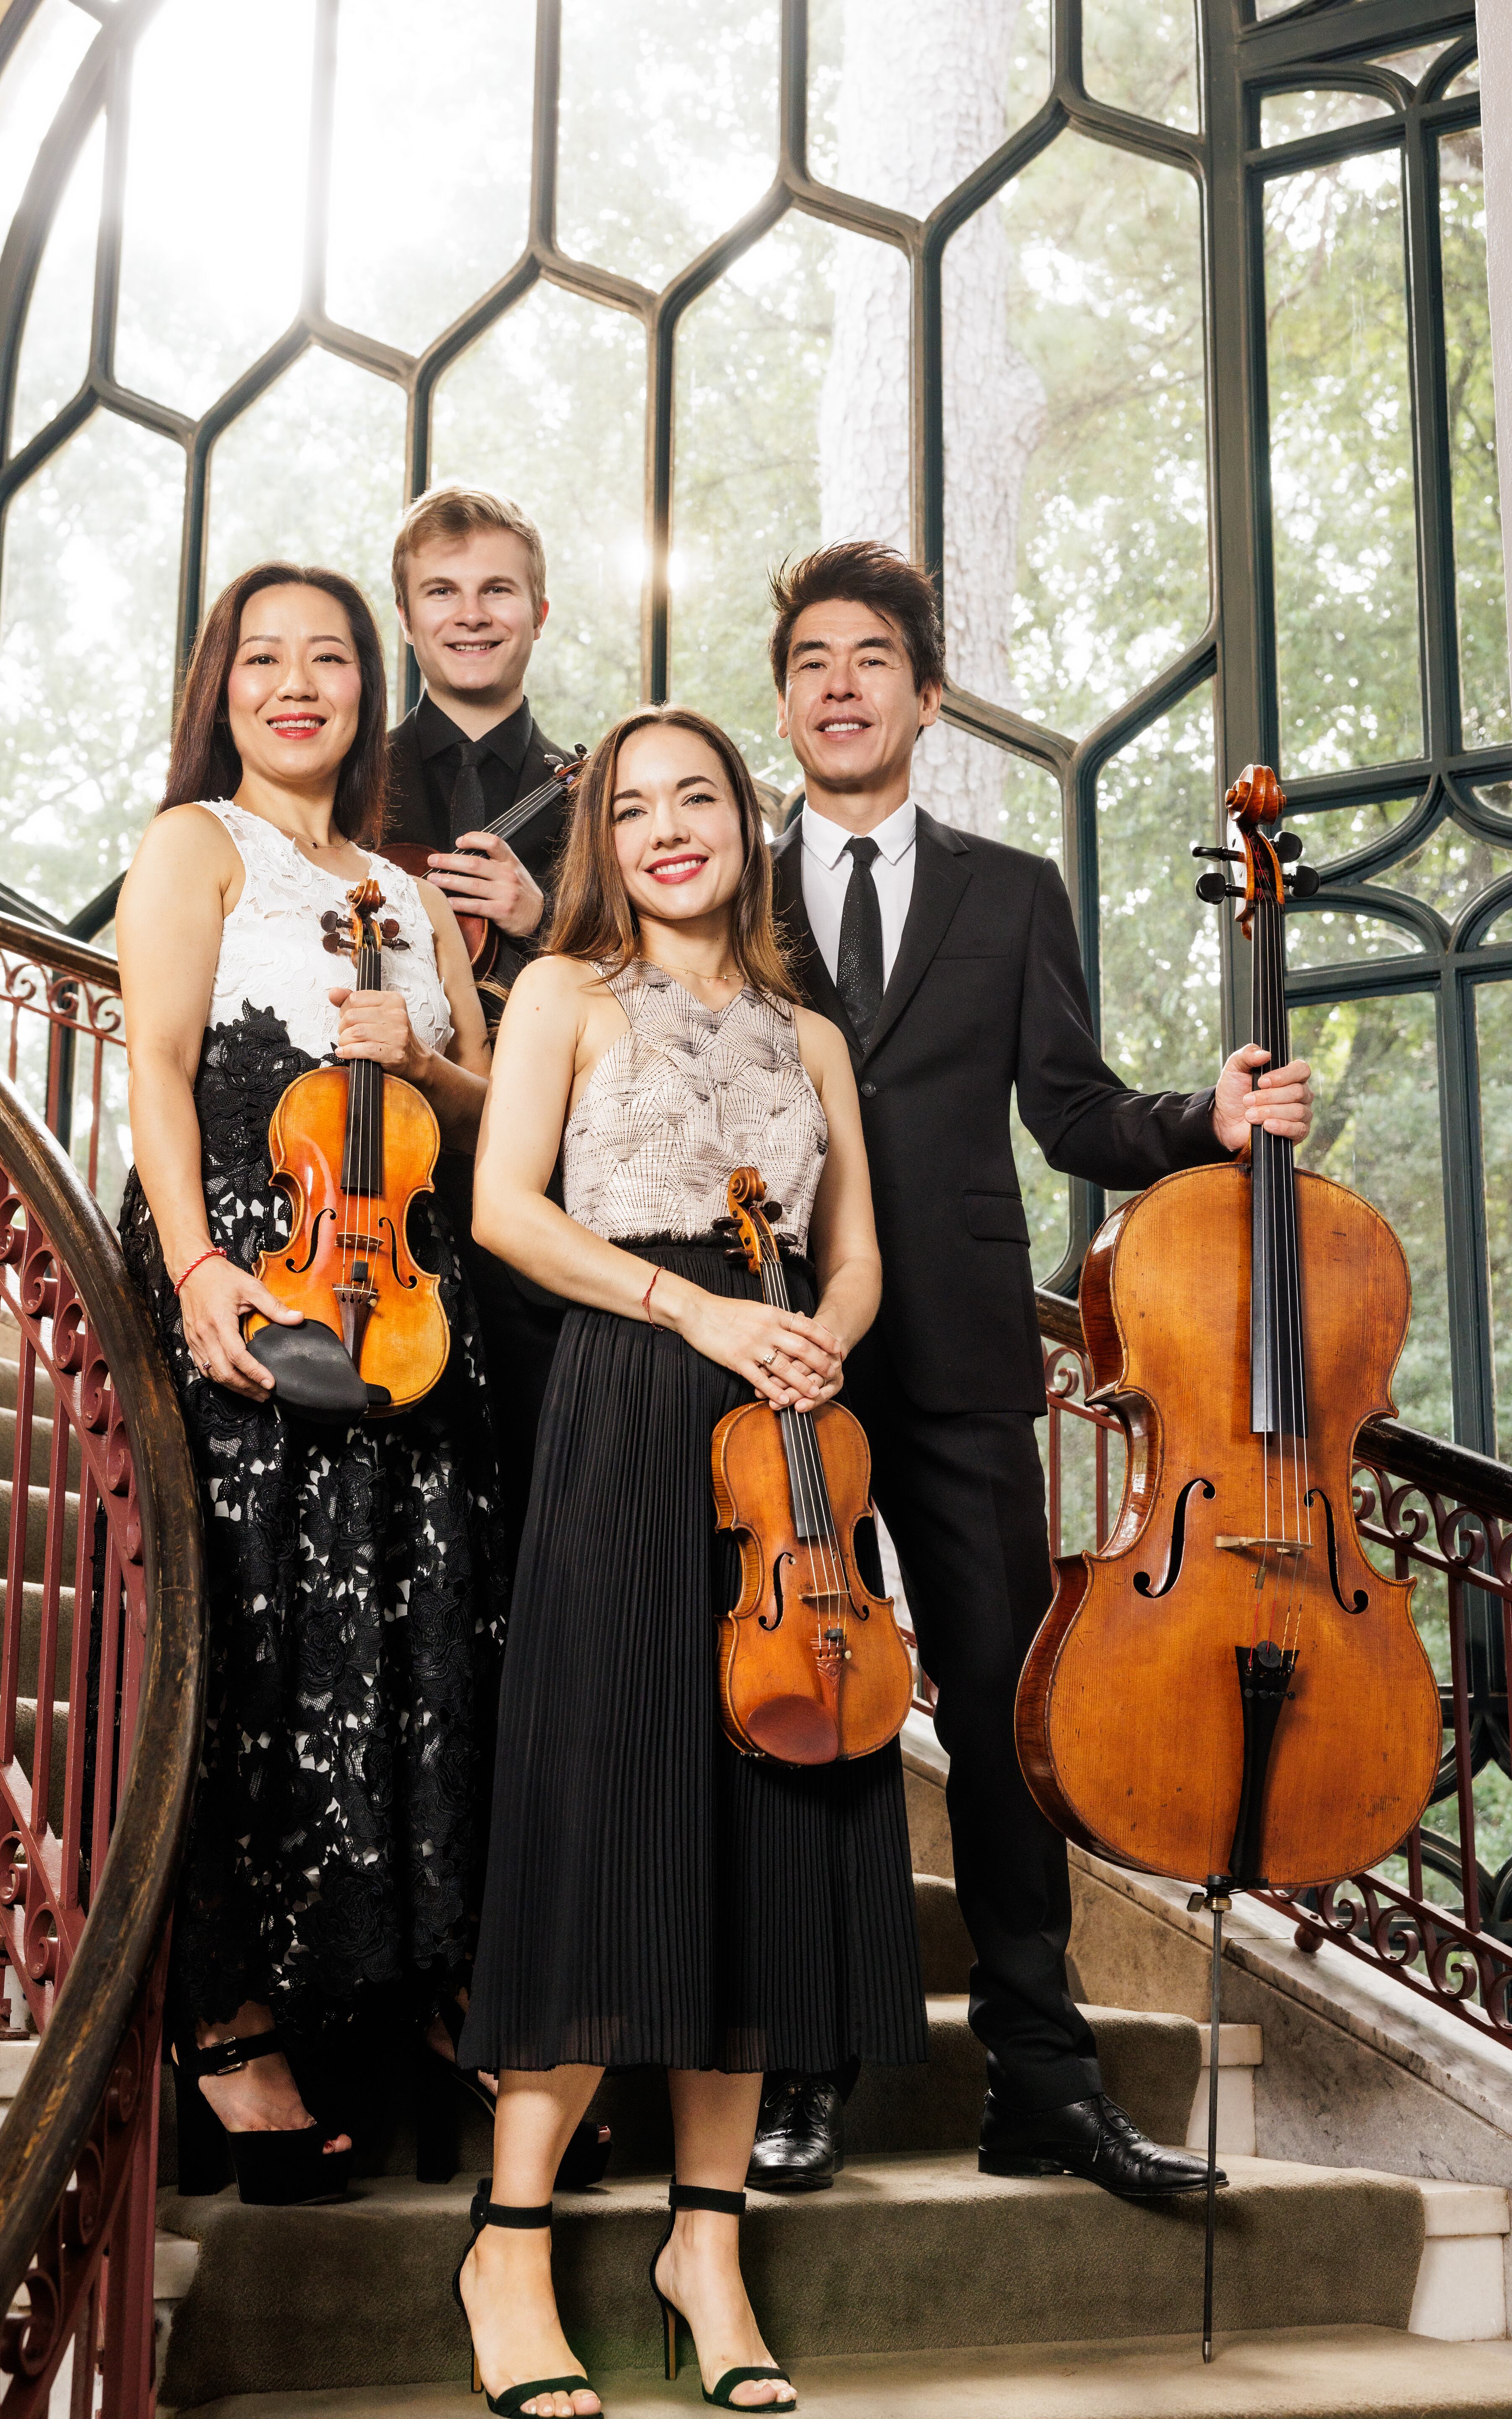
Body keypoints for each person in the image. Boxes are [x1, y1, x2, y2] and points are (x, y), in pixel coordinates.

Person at [750, 541, 1315, 2198]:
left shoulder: (1010, 891)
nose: (840, 684)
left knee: (1004, 1706)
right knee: (812, 1700)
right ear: (781, 704)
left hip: (965, 1356)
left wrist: (1207, 1117)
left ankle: (1046, 2078)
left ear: (927, 695)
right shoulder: (726, 889)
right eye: (810, 661)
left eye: (871, 657)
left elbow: (1070, 1109)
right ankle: (804, 2064)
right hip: (778, 1350)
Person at [453, 705, 927, 2417]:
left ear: (746, 821)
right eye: (635, 805)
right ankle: (510, 2243)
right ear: (606, 839)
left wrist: (817, 1336)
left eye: (699, 797)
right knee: (604, 1813)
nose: (668, 827)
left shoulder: (814, 1034)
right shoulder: (562, 994)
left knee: (767, 1832)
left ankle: (704, 2247)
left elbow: (854, 1250)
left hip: (779, 1436)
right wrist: (697, 1310)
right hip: (628, 1396)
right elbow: (507, 1209)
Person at [116, 561, 508, 2205]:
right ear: (224, 686)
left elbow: (486, 1107)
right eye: (264, 657)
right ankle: (230, 2018)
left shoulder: (410, 893)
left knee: (427, 1642)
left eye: (330, 656)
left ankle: (419, 1998)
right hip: (253, 1268)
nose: (297, 683)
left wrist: (421, 1056)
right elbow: (156, 1061)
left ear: (367, 687)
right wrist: (198, 1265)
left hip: (406, 1291)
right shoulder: (195, 844)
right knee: (263, 1636)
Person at [383, 484, 575, 1548]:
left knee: (539, 1503)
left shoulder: (601, 800)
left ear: (538, 610)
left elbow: (659, 996)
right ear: (406, 615)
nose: (470, 614)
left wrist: (541, 923)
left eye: (498, 589)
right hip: (366, 1184)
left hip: (544, 1200)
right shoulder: (342, 778)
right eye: (442, 591)